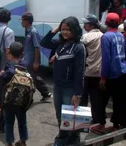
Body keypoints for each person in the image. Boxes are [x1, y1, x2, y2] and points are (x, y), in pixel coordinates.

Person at [40, 16, 86, 145]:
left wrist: (77, 94)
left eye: (68, 29)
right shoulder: (60, 44)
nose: (65, 32)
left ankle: (72, 141)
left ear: (75, 30)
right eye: (63, 29)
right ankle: (62, 137)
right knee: (60, 116)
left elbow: (79, 72)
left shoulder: (78, 47)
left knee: (71, 118)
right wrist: (55, 30)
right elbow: (44, 42)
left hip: (70, 88)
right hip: (58, 87)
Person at [100, 13, 126, 131]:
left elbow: (106, 58)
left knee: (101, 101)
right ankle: (116, 125)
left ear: (106, 23)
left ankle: (101, 124)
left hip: (112, 73)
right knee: (119, 101)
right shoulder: (121, 36)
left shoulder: (106, 36)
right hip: (123, 71)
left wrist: (103, 77)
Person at [0, 42, 28, 146]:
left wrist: (2, 73)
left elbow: (7, 76)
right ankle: (23, 141)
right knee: (22, 122)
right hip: (22, 98)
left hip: (9, 99)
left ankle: (9, 142)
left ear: (9, 53)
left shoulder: (9, 64)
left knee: (9, 122)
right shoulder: (24, 64)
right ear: (22, 54)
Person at [79, 14, 104, 134]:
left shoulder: (86, 37)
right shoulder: (103, 35)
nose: (84, 26)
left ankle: (82, 120)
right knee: (96, 97)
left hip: (88, 71)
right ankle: (97, 119)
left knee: (83, 96)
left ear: (92, 25)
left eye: (86, 24)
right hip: (99, 72)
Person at [20, 12, 52, 102]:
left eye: (22, 20)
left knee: (32, 78)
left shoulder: (33, 32)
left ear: (26, 21)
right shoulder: (27, 31)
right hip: (27, 59)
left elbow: (37, 47)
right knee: (32, 77)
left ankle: (44, 93)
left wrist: (36, 62)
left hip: (31, 60)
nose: (21, 22)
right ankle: (45, 93)